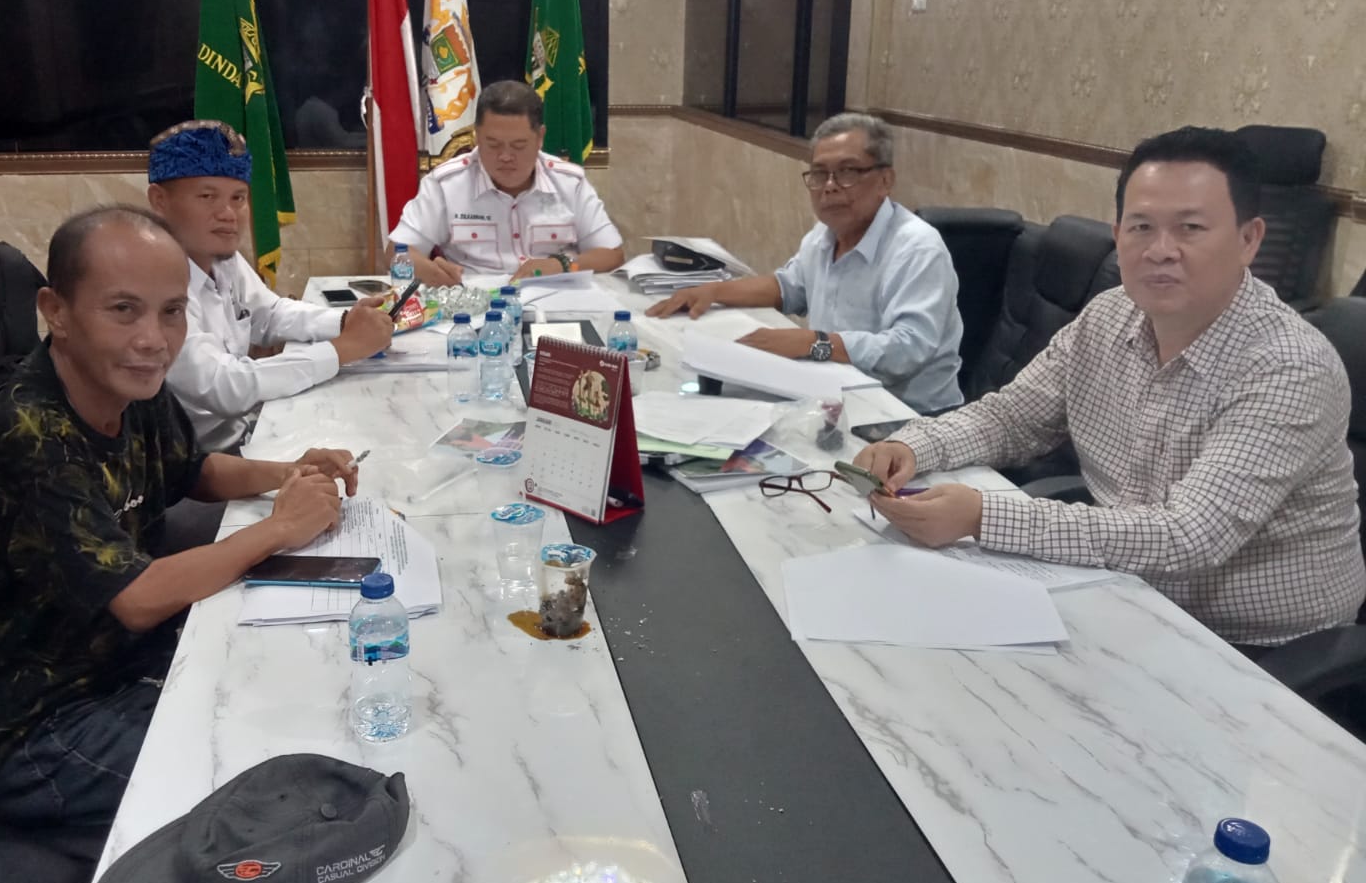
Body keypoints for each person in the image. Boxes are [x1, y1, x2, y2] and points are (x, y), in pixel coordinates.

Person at [0, 206, 359, 831]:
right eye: (124, 310)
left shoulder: (133, 385)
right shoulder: (28, 434)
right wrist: (278, 528)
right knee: (270, 783)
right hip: (25, 729)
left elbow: (192, 470)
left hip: (122, 666)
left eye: (172, 311)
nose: (154, 339)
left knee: (304, 696)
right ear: (56, 312)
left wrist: (286, 470)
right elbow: (136, 598)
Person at [854, 126, 1365, 649]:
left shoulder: (1287, 367)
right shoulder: (1108, 316)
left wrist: (983, 516)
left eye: (1190, 228)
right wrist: (912, 445)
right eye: (1141, 227)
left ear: (1248, 240)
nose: (1161, 251)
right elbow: (1011, 418)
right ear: (1118, 235)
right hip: (1123, 590)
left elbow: (1189, 536)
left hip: (1253, 646)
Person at [648, 113, 964, 413]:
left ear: (885, 180)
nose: (829, 186)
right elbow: (788, 287)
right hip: (835, 398)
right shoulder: (823, 236)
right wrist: (713, 292)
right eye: (819, 174)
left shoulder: (917, 248)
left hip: (909, 416)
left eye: (847, 172)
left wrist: (815, 343)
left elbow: (907, 350)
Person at [147, 120, 393, 452]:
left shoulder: (221, 258)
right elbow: (225, 387)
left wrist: (345, 321)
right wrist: (342, 349)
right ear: (159, 200)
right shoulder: (151, 282)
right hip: (198, 465)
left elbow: (269, 313)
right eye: (207, 196)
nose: (228, 214)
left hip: (246, 434)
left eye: (238, 197)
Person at [387, 79, 625, 284]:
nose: (505, 156)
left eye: (518, 145)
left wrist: (562, 265)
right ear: (477, 136)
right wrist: (430, 272)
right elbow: (395, 253)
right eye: (493, 145)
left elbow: (612, 255)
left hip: (556, 304)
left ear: (540, 138)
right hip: (475, 308)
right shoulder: (446, 184)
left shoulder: (569, 182)